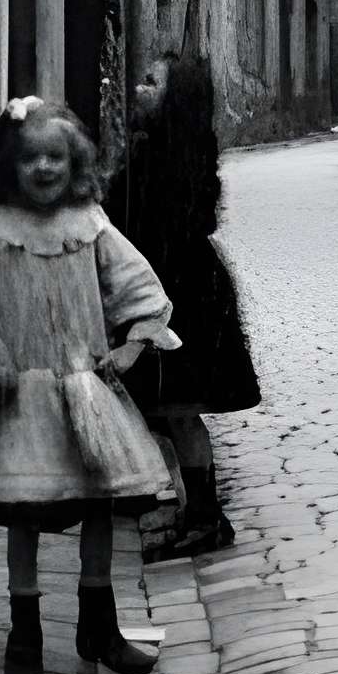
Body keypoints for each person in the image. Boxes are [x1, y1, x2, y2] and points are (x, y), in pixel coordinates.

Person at [0, 96, 182, 674]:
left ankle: (97, 622)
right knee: (24, 507)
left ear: (74, 165)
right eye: (30, 159)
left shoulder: (90, 224)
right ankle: (24, 635)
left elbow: (139, 287)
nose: (43, 168)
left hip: (85, 389)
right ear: (9, 166)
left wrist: (131, 345)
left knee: (98, 501)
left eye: (55, 157)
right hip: (21, 392)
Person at [107, 48, 261, 559]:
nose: (139, 89)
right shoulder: (158, 149)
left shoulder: (173, 159)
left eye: (152, 83)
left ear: (177, 100)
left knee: (179, 410)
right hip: (172, 288)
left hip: (183, 295)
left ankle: (205, 518)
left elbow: (156, 225)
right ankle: (196, 510)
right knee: (167, 411)